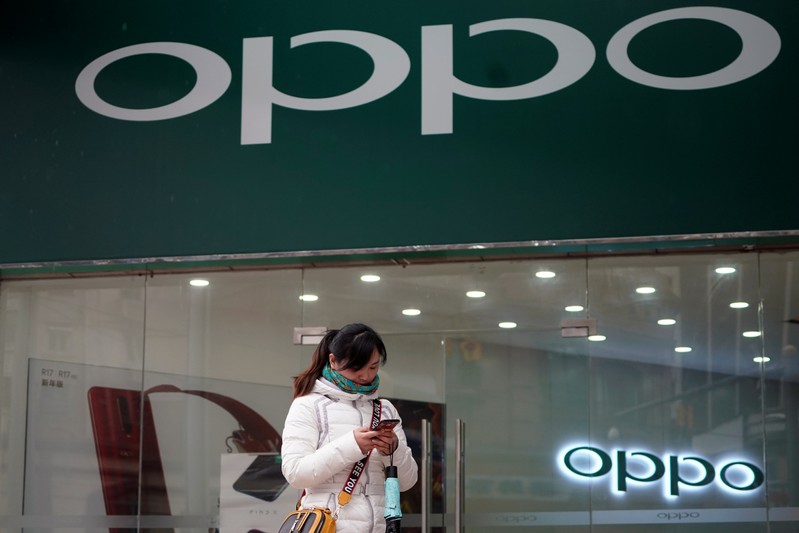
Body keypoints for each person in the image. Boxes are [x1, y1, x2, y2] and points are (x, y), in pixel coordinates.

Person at [281, 323, 418, 533]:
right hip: (330, 525)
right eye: (356, 368)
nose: (365, 376)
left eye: (373, 367)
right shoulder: (308, 405)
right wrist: (351, 445)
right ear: (333, 361)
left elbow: (408, 482)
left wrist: (393, 450)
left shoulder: (385, 410)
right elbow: (296, 474)